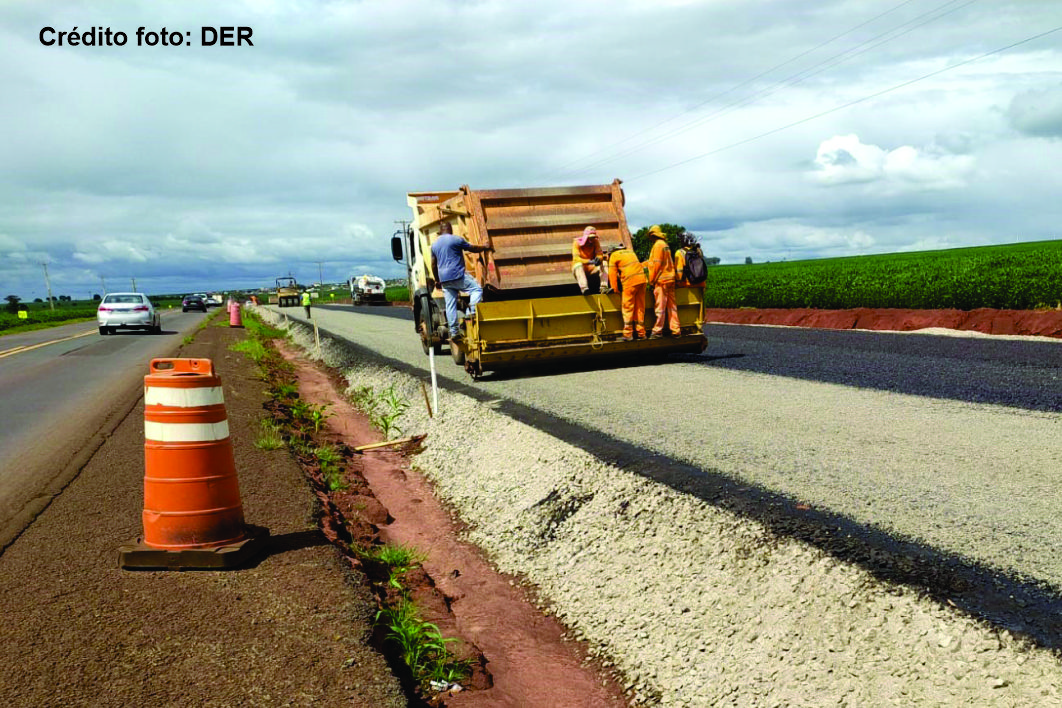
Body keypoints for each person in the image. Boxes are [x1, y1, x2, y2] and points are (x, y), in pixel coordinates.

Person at [430, 221, 492, 342]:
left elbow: (433, 264)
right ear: (450, 229)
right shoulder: (456, 240)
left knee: (450, 305)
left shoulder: (434, 245)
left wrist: (437, 280)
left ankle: (454, 332)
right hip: (458, 275)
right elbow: (472, 248)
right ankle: (471, 311)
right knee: (476, 289)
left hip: (444, 279)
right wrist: (485, 247)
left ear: (441, 231)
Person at [644, 224, 681, 338]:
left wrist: (651, 280)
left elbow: (657, 264)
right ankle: (675, 330)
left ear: (652, 235)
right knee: (672, 307)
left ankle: (657, 330)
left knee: (660, 307)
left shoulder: (657, 245)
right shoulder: (665, 244)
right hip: (670, 279)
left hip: (662, 281)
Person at [606, 243, 647, 341]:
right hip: (642, 280)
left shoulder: (614, 256)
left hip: (630, 282)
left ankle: (628, 334)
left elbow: (612, 274)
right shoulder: (630, 252)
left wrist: (615, 289)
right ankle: (641, 333)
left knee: (628, 307)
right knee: (640, 307)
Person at [572, 226, 608, 294]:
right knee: (578, 265)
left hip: (591, 268)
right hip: (581, 268)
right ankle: (584, 288)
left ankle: (604, 287)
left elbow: (599, 253)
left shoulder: (595, 242)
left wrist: (599, 259)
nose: (591, 240)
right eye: (590, 238)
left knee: (604, 263)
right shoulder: (576, 243)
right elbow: (576, 258)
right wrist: (589, 261)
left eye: (593, 238)